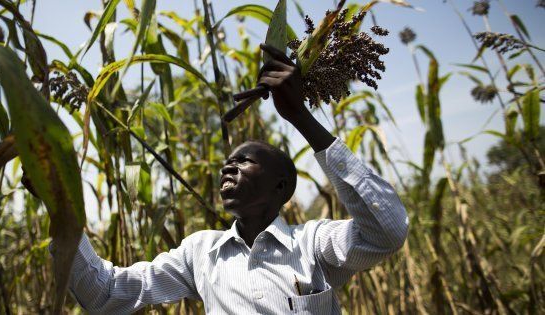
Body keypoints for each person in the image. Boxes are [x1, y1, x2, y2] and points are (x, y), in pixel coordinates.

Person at [54, 44, 409, 314]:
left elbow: (386, 232)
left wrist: (299, 115)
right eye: (227, 162)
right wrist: (59, 208)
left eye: (244, 160)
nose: (227, 168)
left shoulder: (313, 243)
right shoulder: (200, 253)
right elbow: (103, 294)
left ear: (281, 186)